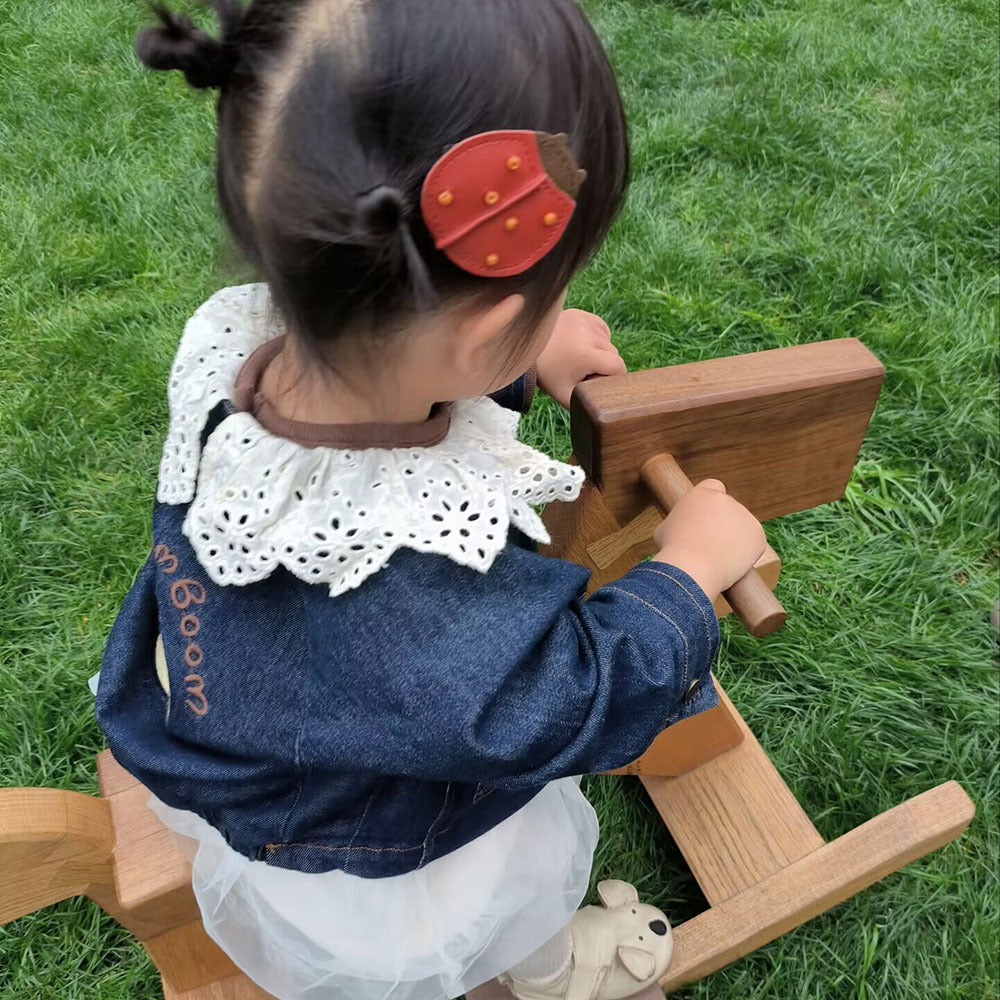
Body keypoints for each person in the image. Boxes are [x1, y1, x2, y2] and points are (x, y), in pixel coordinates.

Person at [95, 2, 766, 998]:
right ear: (477, 328)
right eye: (537, 303)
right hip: (369, 840)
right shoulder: (407, 592)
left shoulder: (234, 352)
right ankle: (546, 967)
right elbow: (553, 700)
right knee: (509, 887)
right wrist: (687, 576)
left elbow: (397, 366)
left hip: (220, 713)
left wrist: (513, 361)